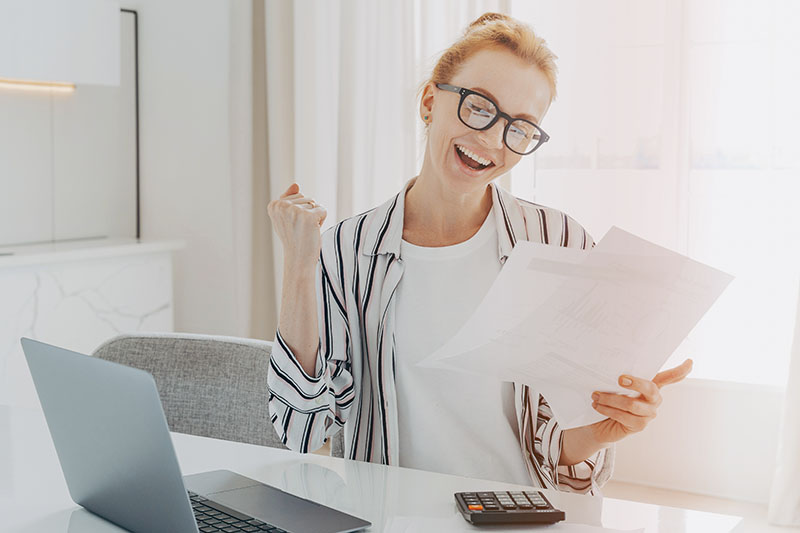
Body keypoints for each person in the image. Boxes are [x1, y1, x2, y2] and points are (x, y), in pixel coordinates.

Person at [266, 12, 692, 494]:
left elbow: (555, 450)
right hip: (391, 517)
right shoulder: (349, 249)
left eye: (521, 128)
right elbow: (300, 429)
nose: (492, 139)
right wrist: (302, 263)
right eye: (479, 107)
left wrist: (601, 431)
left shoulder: (559, 239)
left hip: (522, 517)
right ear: (431, 101)